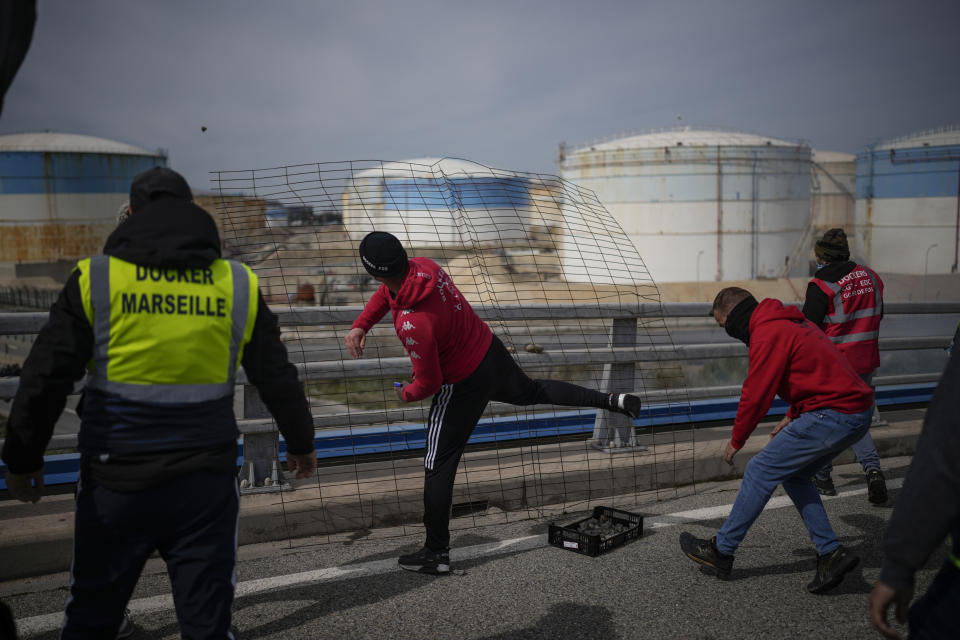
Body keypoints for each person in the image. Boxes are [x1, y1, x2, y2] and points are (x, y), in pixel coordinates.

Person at [1, 167, 318, 639]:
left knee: (92, 618)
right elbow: (277, 377)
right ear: (192, 212)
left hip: (115, 478)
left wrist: (23, 458)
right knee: (207, 622)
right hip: (205, 482)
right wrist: (301, 442)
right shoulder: (235, 284)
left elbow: (45, 377)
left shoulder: (96, 279)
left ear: (129, 215)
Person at [345, 231, 642, 575]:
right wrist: (361, 324)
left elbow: (429, 382)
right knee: (532, 392)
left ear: (373, 272)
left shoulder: (414, 323)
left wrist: (405, 393)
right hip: (489, 352)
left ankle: (436, 553)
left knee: (437, 464)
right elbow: (390, 292)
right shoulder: (426, 268)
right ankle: (611, 399)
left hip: (462, 384)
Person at [680, 287, 874, 593]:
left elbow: (757, 391)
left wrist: (736, 439)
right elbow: (816, 370)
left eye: (724, 326)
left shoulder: (767, 332)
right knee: (796, 477)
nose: (729, 333)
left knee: (760, 469)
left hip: (834, 413)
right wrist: (794, 412)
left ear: (734, 315)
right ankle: (830, 553)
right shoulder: (789, 321)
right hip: (853, 412)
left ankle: (721, 550)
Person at [869, 347, 960, 639]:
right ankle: (871, 469)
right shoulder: (865, 296)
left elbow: (944, 455)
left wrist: (898, 566)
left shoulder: (821, 297)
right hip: (863, 362)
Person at [802, 228, 888, 503]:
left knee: (827, 417)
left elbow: (809, 329)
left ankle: (823, 476)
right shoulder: (870, 276)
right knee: (857, 419)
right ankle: (873, 470)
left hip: (835, 364)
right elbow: (879, 314)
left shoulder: (822, 285)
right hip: (866, 360)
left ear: (823, 257)